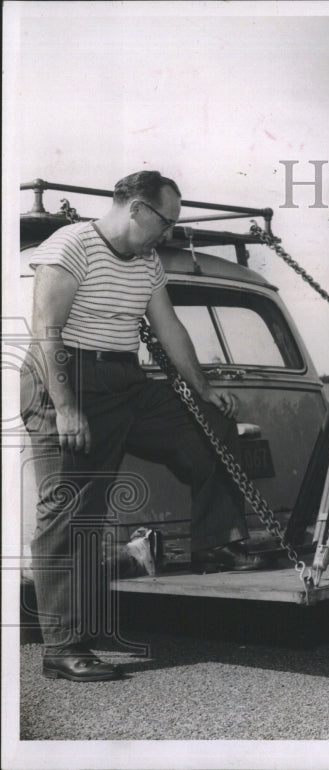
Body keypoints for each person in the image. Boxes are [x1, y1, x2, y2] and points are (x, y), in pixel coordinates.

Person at [20, 170, 263, 683]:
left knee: (210, 427)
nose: (168, 232)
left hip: (124, 381)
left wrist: (203, 389)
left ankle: (214, 543)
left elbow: (169, 327)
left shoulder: (147, 261)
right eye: (165, 221)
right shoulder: (70, 246)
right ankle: (63, 646)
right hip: (67, 376)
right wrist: (65, 408)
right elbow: (46, 332)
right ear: (135, 208)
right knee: (69, 511)